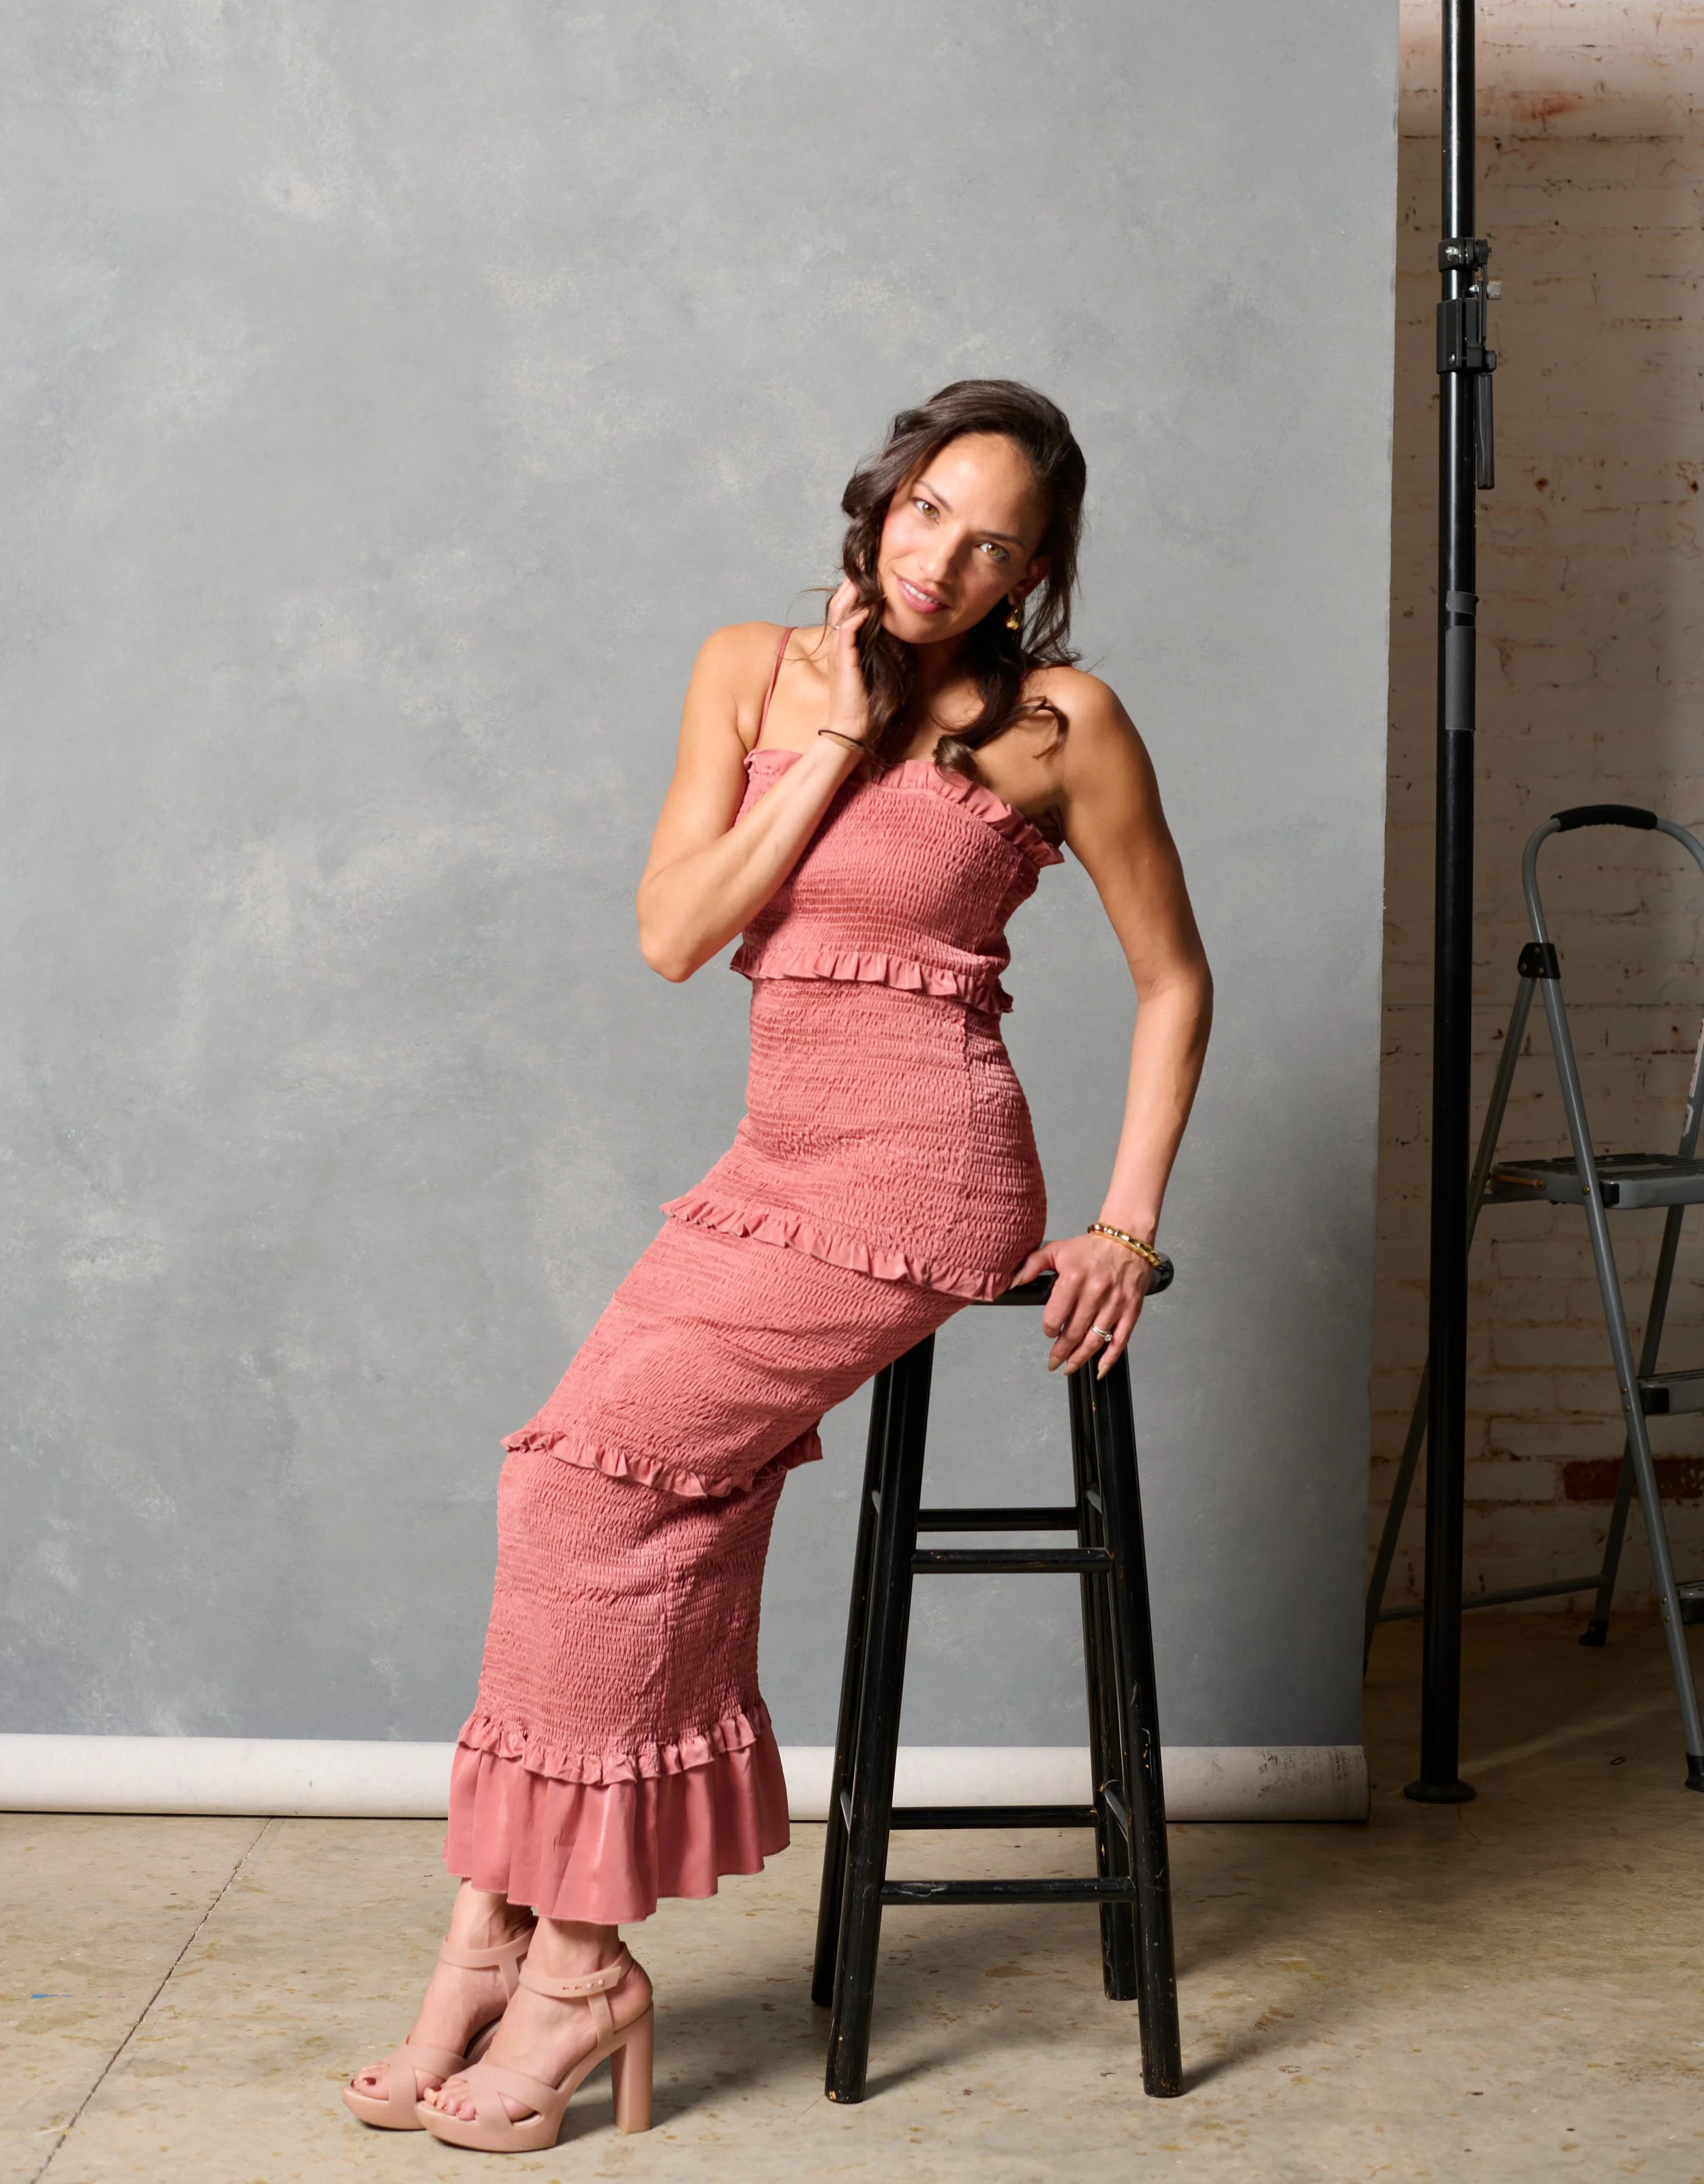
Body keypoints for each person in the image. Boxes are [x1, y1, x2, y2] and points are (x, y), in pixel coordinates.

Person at [342, 379, 1213, 2152]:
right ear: (879, 501)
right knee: (581, 1483)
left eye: (992, 541)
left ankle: (567, 1963)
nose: (942, 557)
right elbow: (675, 932)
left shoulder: (1060, 721)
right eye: (924, 512)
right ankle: (502, 1926)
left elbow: (1175, 978)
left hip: (926, 1176)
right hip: (771, 1165)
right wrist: (828, 744)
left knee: (601, 1487)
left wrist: (1122, 1216)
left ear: (1033, 569)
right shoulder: (749, 665)